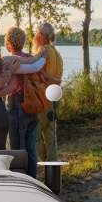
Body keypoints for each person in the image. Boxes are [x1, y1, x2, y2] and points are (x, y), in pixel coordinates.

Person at [0, 27, 38, 178]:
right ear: (22, 41)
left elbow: (11, 87)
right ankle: (33, 178)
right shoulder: (28, 57)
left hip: (17, 108)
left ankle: (21, 181)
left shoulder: (9, 60)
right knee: (30, 148)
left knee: (17, 150)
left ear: (9, 42)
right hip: (33, 106)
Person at [33, 23, 63, 162]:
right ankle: (52, 170)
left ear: (40, 35)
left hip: (43, 99)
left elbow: (36, 73)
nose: (35, 36)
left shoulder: (43, 51)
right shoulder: (57, 53)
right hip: (55, 99)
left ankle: (44, 163)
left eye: (36, 33)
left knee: (36, 135)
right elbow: (59, 80)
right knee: (51, 136)